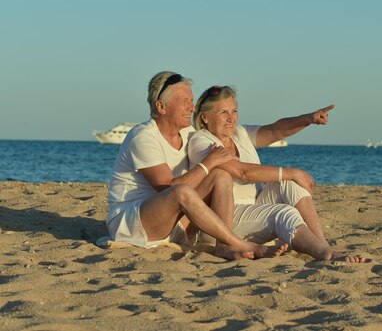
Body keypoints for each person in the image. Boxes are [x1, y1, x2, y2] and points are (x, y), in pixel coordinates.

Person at [106, 72, 286, 261]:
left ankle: (224, 246)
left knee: (220, 175)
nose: (192, 108)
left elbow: (217, 166)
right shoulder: (143, 137)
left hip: (173, 222)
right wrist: (208, 162)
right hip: (133, 225)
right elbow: (167, 188)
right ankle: (239, 244)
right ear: (161, 106)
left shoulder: (188, 133)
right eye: (185, 101)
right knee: (180, 191)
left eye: (192, 101)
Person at [188, 85, 366, 263]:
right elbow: (242, 172)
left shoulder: (239, 133)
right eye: (223, 113)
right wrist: (292, 172)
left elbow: (275, 130)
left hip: (255, 206)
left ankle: (323, 245)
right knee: (283, 211)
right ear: (205, 117)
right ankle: (325, 254)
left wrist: (308, 119)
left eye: (234, 111)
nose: (231, 118)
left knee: (289, 184)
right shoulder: (201, 141)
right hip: (224, 220)